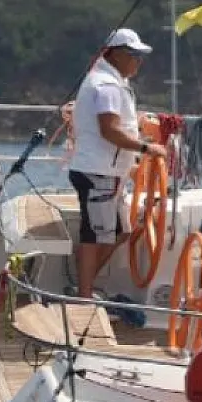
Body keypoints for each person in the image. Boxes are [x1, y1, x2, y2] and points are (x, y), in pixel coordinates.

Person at [68, 27, 167, 297]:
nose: (139, 62)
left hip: (108, 172)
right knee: (95, 235)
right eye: (134, 55)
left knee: (122, 231)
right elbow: (109, 130)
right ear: (117, 54)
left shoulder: (112, 82)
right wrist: (147, 148)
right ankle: (83, 295)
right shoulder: (107, 85)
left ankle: (82, 282)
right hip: (97, 171)